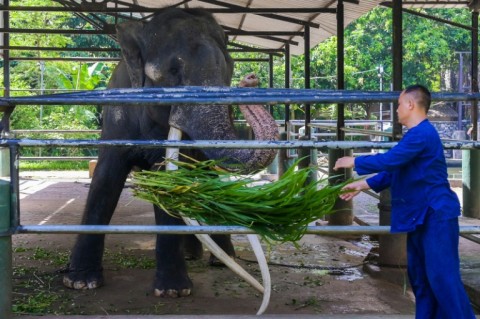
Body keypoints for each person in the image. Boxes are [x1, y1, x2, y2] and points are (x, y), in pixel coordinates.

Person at [333, 85, 476, 319]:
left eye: (399, 104)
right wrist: (362, 185)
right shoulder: (415, 136)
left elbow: (392, 159)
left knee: (442, 278)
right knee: (420, 278)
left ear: (410, 104)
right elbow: (397, 169)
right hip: (420, 216)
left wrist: (355, 160)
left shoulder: (422, 134)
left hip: (435, 214)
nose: (397, 109)